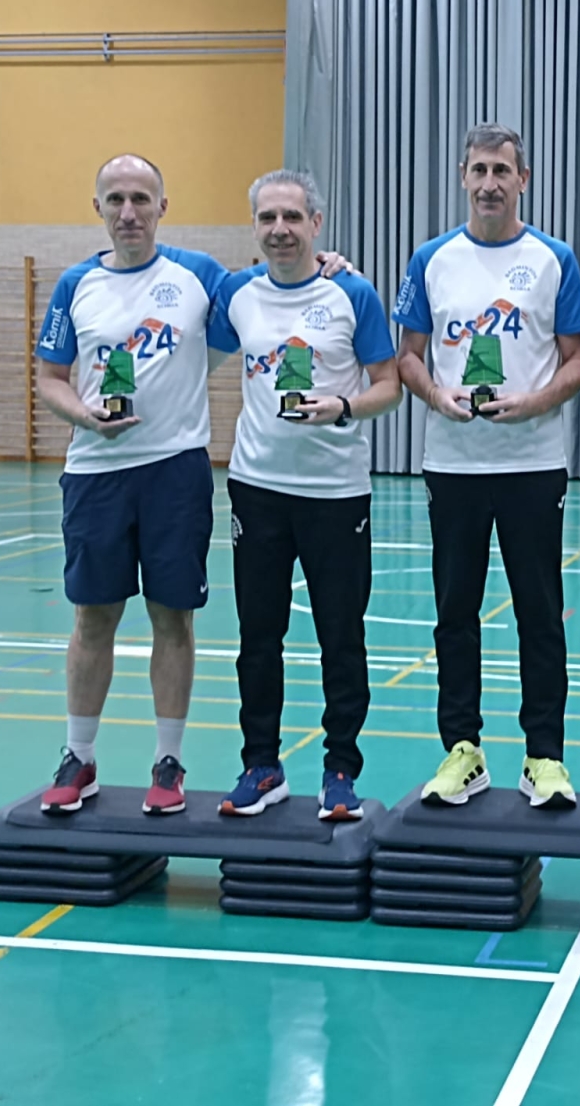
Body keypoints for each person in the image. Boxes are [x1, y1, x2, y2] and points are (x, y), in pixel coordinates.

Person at [392, 122, 580, 809]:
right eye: (478, 170)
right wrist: (436, 395)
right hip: (453, 465)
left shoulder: (553, 258)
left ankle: (545, 756)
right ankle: (462, 750)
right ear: (462, 177)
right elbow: (409, 355)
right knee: (455, 611)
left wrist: (532, 403)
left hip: (532, 464)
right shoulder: (432, 259)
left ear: (522, 180)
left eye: (501, 171)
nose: (488, 184)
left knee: (540, 613)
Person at [34, 154, 237, 816]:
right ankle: (79, 756)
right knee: (93, 616)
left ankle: (168, 762)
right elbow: (49, 378)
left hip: (175, 470)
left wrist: (327, 266)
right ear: (97, 207)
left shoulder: (199, 275)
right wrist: (82, 415)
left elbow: (271, 294)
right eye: (116, 199)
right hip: (96, 473)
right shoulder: (76, 284)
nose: (128, 212)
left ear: (162, 207)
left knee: (172, 616)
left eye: (141, 199)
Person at [212, 169, 401, 822]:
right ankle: (260, 765)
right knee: (258, 637)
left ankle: (340, 769)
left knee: (340, 637)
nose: (280, 229)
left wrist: (343, 406)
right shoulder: (237, 294)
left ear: (316, 223)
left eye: (292, 217)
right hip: (257, 490)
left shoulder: (351, 292)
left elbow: (388, 385)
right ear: (254, 226)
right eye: (268, 218)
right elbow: (181, 344)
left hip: (336, 494)